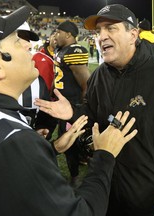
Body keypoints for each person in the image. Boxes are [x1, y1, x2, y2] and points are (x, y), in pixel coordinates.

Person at [0, 6, 138, 216]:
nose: (28, 45)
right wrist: (104, 155)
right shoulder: (10, 141)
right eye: (16, 40)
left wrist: (51, 148)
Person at [35, 4, 154, 216]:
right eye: (99, 31)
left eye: (110, 28)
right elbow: (93, 115)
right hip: (110, 197)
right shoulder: (99, 76)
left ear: (133, 35)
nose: (101, 36)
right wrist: (73, 113)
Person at [54, 20, 91, 187]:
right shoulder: (61, 50)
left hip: (72, 105)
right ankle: (82, 159)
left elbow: (86, 84)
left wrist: (81, 108)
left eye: (58, 32)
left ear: (68, 34)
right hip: (62, 103)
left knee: (70, 141)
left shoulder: (74, 51)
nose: (55, 36)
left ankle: (75, 176)